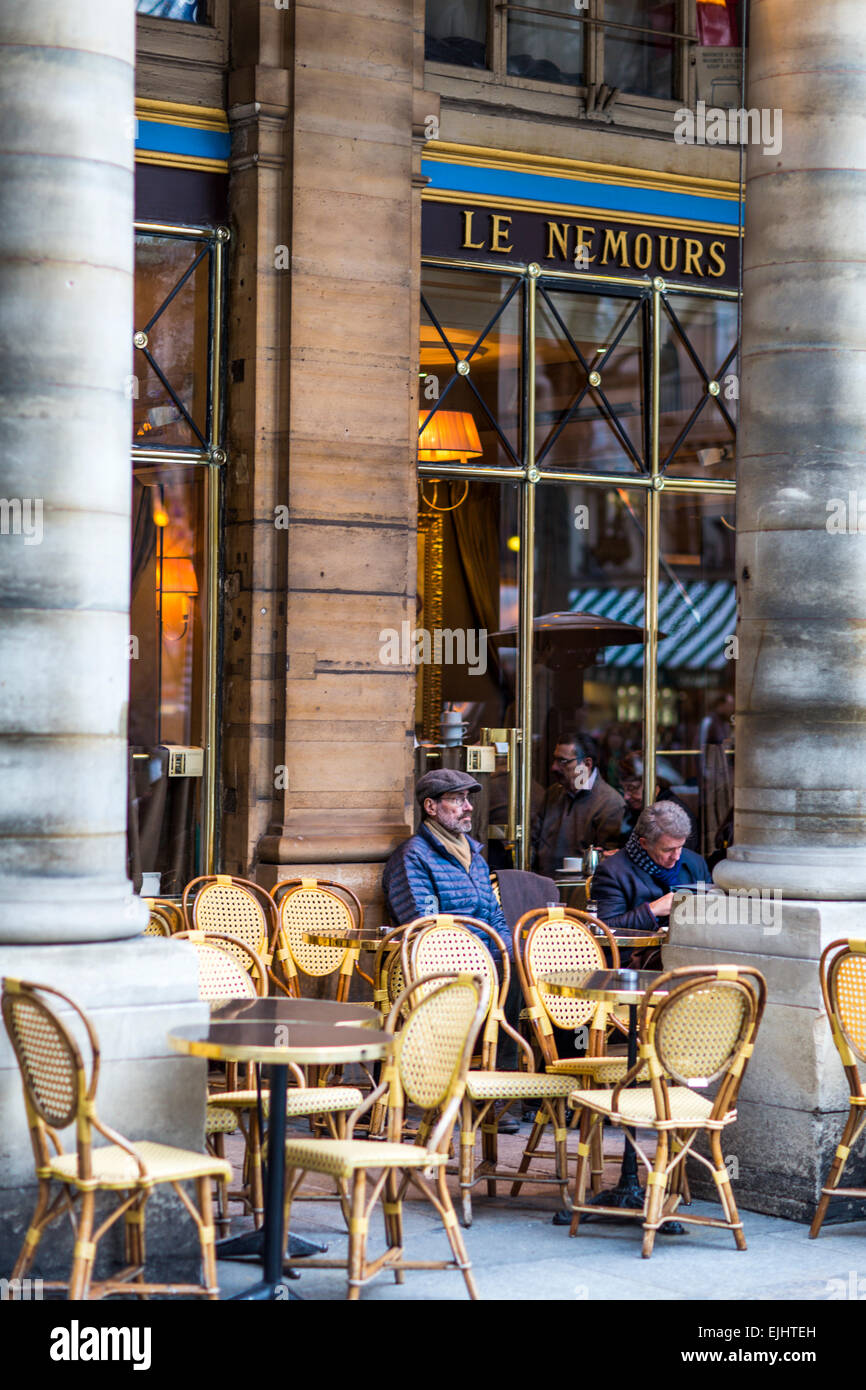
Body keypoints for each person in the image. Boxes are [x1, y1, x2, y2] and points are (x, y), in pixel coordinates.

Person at [383, 768, 512, 958]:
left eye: (468, 798)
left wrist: (513, 958)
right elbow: (425, 929)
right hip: (443, 974)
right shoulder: (412, 857)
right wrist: (479, 965)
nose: (469, 807)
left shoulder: (474, 856)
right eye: (457, 799)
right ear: (431, 807)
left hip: (490, 968)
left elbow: (495, 918)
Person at [591, 801, 710, 933]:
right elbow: (602, 930)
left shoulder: (696, 863)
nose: (676, 856)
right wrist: (652, 910)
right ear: (644, 843)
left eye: (680, 847)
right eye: (667, 850)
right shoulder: (612, 872)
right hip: (637, 952)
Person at [531, 731, 624, 877]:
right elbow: (532, 840)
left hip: (581, 890)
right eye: (555, 760)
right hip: (543, 884)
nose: (554, 767)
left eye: (563, 761)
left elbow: (608, 863)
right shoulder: (553, 794)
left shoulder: (610, 803)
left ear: (586, 764)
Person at [617, 753, 699, 851]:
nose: (626, 796)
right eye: (623, 789)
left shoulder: (672, 816)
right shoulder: (634, 811)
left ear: (653, 784)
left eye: (633, 788)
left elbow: (673, 859)